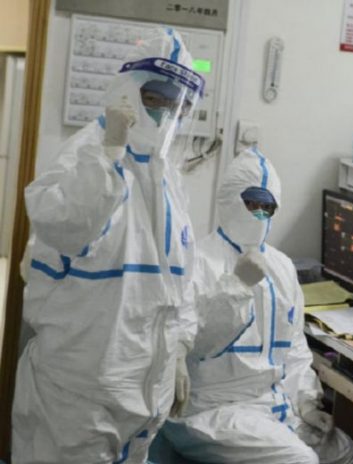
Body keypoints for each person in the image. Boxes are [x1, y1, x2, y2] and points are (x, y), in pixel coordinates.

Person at [12, 28, 204, 463]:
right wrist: (110, 151)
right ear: (128, 91)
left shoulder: (168, 179)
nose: (165, 113)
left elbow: (181, 281)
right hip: (78, 394)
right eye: (156, 98)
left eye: (178, 105)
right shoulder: (87, 154)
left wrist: (178, 351)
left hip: (143, 390)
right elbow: (68, 226)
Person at [163, 148, 353, 464]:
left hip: (272, 404)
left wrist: (307, 401)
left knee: (345, 452)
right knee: (301, 461)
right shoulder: (196, 263)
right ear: (229, 199)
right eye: (252, 203)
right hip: (213, 408)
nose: (259, 214)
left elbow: (294, 346)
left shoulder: (281, 267)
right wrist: (237, 287)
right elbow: (195, 345)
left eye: (268, 207)